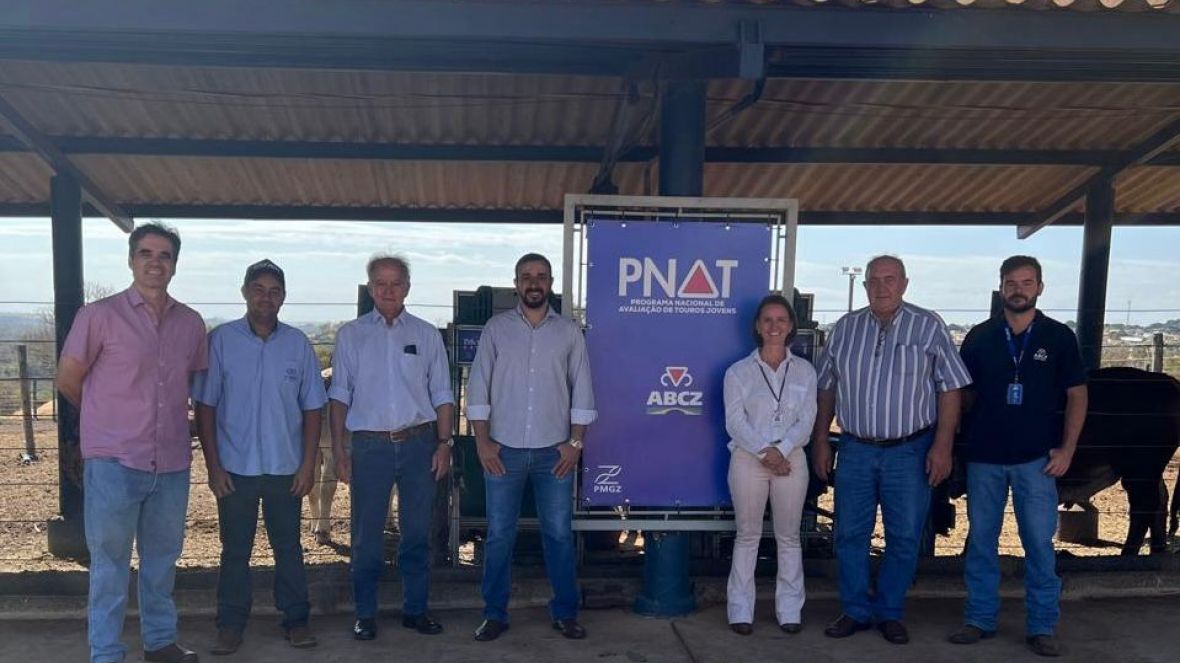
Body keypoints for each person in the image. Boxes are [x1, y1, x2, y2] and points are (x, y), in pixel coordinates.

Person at [57, 222, 207, 663]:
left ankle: (160, 643)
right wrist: (107, 420)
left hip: (172, 462)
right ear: (131, 259)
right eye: (146, 253)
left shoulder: (190, 323)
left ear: (175, 265)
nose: (154, 262)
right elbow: (68, 379)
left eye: (164, 255)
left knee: (162, 560)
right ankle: (106, 653)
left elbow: (192, 382)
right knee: (110, 564)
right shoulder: (99, 316)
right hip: (115, 461)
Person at [810, 255, 972, 645]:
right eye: (874, 280)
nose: (881, 287)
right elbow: (826, 388)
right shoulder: (846, 329)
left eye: (890, 279)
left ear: (904, 283)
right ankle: (854, 609)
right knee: (849, 534)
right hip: (856, 449)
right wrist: (820, 440)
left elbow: (950, 388)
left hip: (910, 450)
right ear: (864, 286)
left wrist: (943, 445)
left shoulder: (928, 325)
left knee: (903, 536)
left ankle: (890, 611)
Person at [948, 256, 1087, 657]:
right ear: (1001, 286)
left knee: (1040, 546)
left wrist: (1068, 449)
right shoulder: (980, 337)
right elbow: (962, 394)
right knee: (981, 543)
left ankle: (1042, 626)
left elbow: (1077, 394)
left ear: (1040, 288)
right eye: (1011, 282)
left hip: (1037, 461)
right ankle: (979, 619)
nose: (1019, 289)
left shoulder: (1059, 337)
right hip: (985, 459)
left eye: (1027, 282)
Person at [192, 259, 327, 654]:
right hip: (236, 468)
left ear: (283, 297)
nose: (266, 297)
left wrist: (308, 465)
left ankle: (296, 620)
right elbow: (206, 408)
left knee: (289, 548)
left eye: (274, 290)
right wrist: (213, 466)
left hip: (287, 468)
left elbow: (313, 409)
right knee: (235, 550)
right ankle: (230, 625)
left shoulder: (297, 345)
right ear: (244, 292)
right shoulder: (221, 341)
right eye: (259, 288)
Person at [466, 252, 596, 642]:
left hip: (554, 453)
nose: (534, 282)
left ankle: (566, 612)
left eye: (540, 276)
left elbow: (583, 391)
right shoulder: (496, 329)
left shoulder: (569, 332)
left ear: (551, 282)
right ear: (516, 282)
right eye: (526, 276)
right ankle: (494, 613)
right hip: (502, 451)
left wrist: (575, 443)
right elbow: (478, 388)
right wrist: (483, 441)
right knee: (499, 534)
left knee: (557, 534)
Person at [328, 254, 454, 641]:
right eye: (380, 283)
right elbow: (339, 395)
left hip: (419, 443)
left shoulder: (426, 334)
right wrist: (339, 448)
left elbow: (442, 393)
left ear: (407, 289)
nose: (387, 290)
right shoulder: (351, 335)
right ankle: (365, 614)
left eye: (395, 283)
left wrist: (445, 443)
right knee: (366, 536)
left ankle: (415, 610)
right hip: (369, 447)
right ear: (370, 288)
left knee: (417, 533)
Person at [723, 294, 817, 636]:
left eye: (781, 320)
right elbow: (735, 422)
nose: (774, 326)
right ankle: (740, 611)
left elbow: (807, 419)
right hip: (749, 459)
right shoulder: (739, 372)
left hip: (791, 460)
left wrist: (784, 450)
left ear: (791, 326)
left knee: (788, 537)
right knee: (747, 535)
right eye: (768, 320)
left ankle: (790, 610)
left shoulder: (805, 371)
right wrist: (766, 452)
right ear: (758, 326)